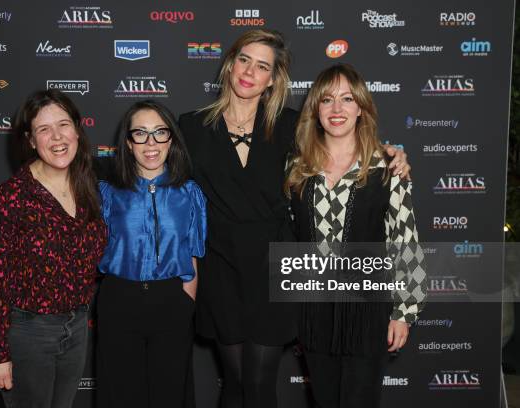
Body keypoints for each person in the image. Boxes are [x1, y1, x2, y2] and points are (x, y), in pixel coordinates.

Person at [178, 29, 411, 408]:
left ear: (273, 79)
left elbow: (344, 141)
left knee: (261, 382)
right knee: (235, 383)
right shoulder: (190, 127)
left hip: (276, 271)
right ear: (229, 64)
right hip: (221, 269)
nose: (250, 71)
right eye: (244, 60)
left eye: (262, 66)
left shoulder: (291, 128)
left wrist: (389, 153)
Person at [285, 63, 427, 408]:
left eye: (347, 99)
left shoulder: (387, 166)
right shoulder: (296, 169)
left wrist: (403, 312)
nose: (337, 109)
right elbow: (289, 235)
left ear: (361, 108)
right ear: (315, 110)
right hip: (315, 311)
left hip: (368, 311)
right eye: (327, 100)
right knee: (324, 400)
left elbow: (405, 241)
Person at [0, 89, 107, 408]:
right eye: (43, 129)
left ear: (77, 130)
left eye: (63, 124)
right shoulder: (8, 200)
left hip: (76, 328)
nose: (57, 137)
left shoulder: (91, 188)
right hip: (28, 334)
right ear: (31, 141)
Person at [96, 100, 207, 408]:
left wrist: (186, 301)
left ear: (171, 139)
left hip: (171, 300)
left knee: (170, 393)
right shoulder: (106, 192)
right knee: (121, 394)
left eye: (160, 132)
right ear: (128, 143)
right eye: (141, 134)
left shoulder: (189, 192)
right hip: (119, 299)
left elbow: (193, 252)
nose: (151, 143)